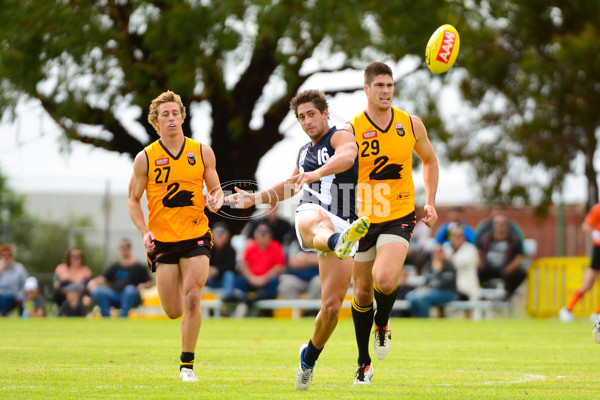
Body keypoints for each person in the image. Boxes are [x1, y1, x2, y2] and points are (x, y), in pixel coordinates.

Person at [225, 89, 369, 390]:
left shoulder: (341, 137)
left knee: (330, 308)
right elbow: (290, 187)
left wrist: (316, 173)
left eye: (311, 114)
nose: (306, 121)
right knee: (313, 218)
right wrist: (254, 198)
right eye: (301, 117)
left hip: (343, 221)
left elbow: (347, 158)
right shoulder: (303, 151)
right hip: (312, 215)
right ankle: (335, 241)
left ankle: (308, 357)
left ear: (324, 113)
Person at [344, 62, 439, 384]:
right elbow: (340, 170)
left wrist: (429, 202)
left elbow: (429, 160)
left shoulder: (410, 124)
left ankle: (382, 325)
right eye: (379, 85)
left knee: (383, 280)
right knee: (360, 293)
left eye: (390, 85)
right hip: (362, 219)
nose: (386, 91)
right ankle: (363, 363)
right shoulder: (352, 129)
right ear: (366, 89)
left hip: (399, 215)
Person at [128, 90, 224, 382]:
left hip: (196, 234)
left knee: (193, 297)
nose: (171, 119)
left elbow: (217, 191)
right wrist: (145, 233)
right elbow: (133, 200)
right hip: (163, 241)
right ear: (155, 123)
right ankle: (183, 310)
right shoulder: (146, 158)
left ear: (183, 116)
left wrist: (214, 200)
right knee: (172, 310)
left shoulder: (202, 152)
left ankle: (187, 366)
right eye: (164, 115)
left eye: (175, 113)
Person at [87, 239, 153, 317]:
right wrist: (93, 283)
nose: (124, 249)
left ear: (131, 248)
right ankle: (106, 319)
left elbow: (150, 283)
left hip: (132, 296)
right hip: (115, 295)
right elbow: (103, 279)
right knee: (98, 291)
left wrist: (143, 285)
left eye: (127, 246)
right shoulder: (114, 267)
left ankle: (123, 318)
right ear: (119, 250)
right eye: (122, 247)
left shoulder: (140, 267)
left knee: (130, 289)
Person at [226, 224, 285, 306]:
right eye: (260, 233)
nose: (262, 236)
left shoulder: (276, 247)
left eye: (265, 234)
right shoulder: (250, 246)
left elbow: (279, 267)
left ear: (270, 235)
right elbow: (243, 265)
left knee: (274, 281)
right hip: (251, 279)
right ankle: (243, 301)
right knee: (239, 280)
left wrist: (264, 278)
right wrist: (251, 278)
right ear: (255, 235)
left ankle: (265, 306)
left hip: (267, 280)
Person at [562, 203, 600, 322]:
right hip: (598, 249)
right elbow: (586, 225)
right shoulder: (598, 209)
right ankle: (568, 310)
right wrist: (596, 234)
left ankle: (598, 313)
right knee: (588, 283)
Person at [477, 214, 526, 299]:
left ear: (507, 225)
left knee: (522, 273)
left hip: (506, 270)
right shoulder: (486, 238)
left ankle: (506, 295)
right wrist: (481, 263)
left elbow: (519, 257)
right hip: (488, 269)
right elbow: (478, 251)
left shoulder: (514, 239)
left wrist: (508, 269)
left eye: (503, 223)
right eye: (497, 223)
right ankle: (483, 294)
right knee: (475, 270)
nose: (500, 225)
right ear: (493, 225)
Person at [406, 244, 457, 318]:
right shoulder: (429, 265)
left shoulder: (449, 266)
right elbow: (426, 281)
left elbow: (445, 283)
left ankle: (424, 320)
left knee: (423, 298)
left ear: (443, 253)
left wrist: (428, 288)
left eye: (439, 252)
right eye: (435, 252)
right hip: (431, 291)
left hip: (447, 292)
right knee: (410, 296)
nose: (437, 254)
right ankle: (416, 318)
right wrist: (422, 287)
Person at [443, 225, 480, 303]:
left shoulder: (470, 249)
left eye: (459, 236)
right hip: (448, 286)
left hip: (466, 287)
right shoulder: (447, 248)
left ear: (464, 237)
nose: (456, 238)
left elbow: (458, 262)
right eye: (453, 235)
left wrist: (444, 258)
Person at [205, 222, 237, 300]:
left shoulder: (231, 250)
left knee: (229, 275)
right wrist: (207, 270)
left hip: (222, 280)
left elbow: (231, 267)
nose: (220, 236)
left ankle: (227, 298)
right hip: (208, 279)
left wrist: (216, 270)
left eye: (222, 233)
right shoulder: (206, 249)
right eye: (217, 233)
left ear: (228, 236)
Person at [0, 243, 28, 316]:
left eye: (9, 255)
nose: (7, 257)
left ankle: (1, 314)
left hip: (13, 296)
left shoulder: (19, 268)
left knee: (7, 297)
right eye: (4, 255)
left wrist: (20, 297)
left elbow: (25, 285)